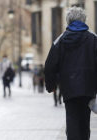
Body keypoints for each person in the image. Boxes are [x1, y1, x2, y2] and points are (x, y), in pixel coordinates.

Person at [44, 6, 97, 140]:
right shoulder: (93, 38)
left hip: (69, 87)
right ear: (84, 20)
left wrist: (51, 85)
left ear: (68, 21)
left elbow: (50, 64)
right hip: (88, 86)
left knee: (72, 119)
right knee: (85, 120)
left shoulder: (60, 40)